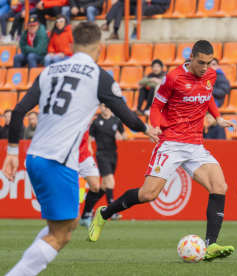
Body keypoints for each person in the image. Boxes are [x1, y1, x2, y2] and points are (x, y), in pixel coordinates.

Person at [2, 21, 158, 276]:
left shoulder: (49, 71)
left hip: (34, 156)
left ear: (72, 45)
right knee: (61, 235)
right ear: (100, 48)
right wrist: (146, 129)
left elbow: (19, 111)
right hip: (58, 161)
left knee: (67, 224)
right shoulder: (99, 76)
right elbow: (126, 117)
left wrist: (11, 152)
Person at [88, 40, 237, 262]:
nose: (205, 67)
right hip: (171, 142)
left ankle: (210, 244)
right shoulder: (173, 77)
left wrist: (218, 117)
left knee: (220, 186)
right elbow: (157, 106)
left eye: (209, 63)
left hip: (195, 144)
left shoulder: (210, 76)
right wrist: (155, 126)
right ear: (191, 58)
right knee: (148, 194)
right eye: (201, 62)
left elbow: (208, 97)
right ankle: (104, 214)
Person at [89, 103, 127, 221]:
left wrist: (121, 136)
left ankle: (89, 207)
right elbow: (89, 139)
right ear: (100, 108)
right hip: (101, 154)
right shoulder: (96, 122)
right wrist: (89, 149)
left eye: (107, 106)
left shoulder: (116, 121)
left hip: (113, 154)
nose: (105, 108)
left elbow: (125, 136)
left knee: (105, 186)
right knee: (110, 181)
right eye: (103, 106)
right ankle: (113, 211)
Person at [78, 126, 101, 229]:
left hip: (85, 156)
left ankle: (85, 216)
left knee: (96, 186)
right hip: (69, 158)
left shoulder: (87, 113)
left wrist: (89, 144)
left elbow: (87, 132)